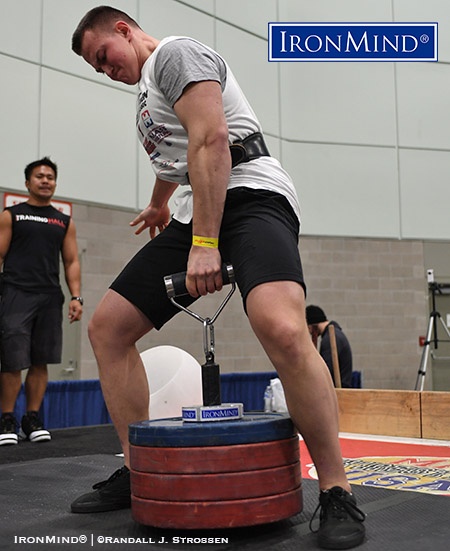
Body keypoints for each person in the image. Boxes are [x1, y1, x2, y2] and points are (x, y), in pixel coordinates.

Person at [70, 7, 366, 549]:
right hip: (197, 206)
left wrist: (205, 243)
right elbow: (176, 160)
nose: (105, 70)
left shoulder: (175, 55)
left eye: (103, 57)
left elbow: (212, 140)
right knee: (107, 328)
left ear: (123, 30)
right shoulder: (146, 96)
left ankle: (336, 490)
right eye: (96, 69)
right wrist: (161, 205)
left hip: (252, 196)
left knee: (280, 328)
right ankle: (140, 473)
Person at [0, 157, 83, 445]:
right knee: (12, 361)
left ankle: (31, 418)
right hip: (15, 293)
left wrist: (76, 297)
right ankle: (7, 419)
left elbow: (71, 261)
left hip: (49, 297)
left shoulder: (63, 221)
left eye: (50, 176)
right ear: (27, 183)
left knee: (40, 360)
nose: (45, 180)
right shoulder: (12, 215)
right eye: (39, 176)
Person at [306, 305, 353, 388]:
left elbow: (326, 372)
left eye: (308, 328)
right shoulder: (334, 334)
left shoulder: (330, 339)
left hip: (339, 392)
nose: (309, 332)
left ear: (311, 325)